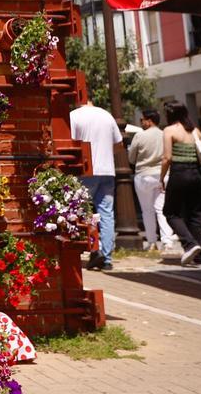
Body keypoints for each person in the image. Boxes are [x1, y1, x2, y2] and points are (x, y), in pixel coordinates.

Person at [70, 95, 122, 271]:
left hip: (85, 170)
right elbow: (119, 145)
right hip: (107, 170)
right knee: (106, 213)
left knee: (84, 211)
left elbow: (71, 144)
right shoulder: (107, 115)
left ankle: (93, 249)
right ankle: (107, 258)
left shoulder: (74, 116)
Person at [160, 101, 201, 267]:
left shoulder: (169, 130)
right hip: (196, 174)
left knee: (170, 212)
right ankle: (200, 256)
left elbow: (167, 158)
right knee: (196, 215)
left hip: (179, 174)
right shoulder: (195, 130)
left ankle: (189, 244)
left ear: (169, 114)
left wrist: (161, 178)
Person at [129, 108, 175, 252]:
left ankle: (152, 242)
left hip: (143, 175)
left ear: (149, 121)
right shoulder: (164, 134)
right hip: (163, 174)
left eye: (142, 120)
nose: (141, 122)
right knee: (161, 209)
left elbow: (131, 158)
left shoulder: (139, 136)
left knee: (147, 210)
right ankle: (167, 242)